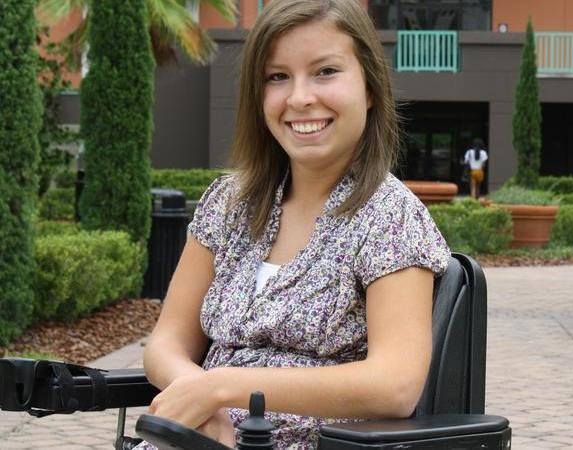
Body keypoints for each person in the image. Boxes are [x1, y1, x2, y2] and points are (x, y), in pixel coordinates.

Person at [135, 0, 450, 448]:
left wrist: (223, 387)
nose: (300, 98)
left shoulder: (389, 217)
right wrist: (200, 398)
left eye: (326, 71)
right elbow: (165, 343)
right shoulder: (229, 204)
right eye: (278, 77)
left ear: (370, 88)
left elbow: (395, 385)